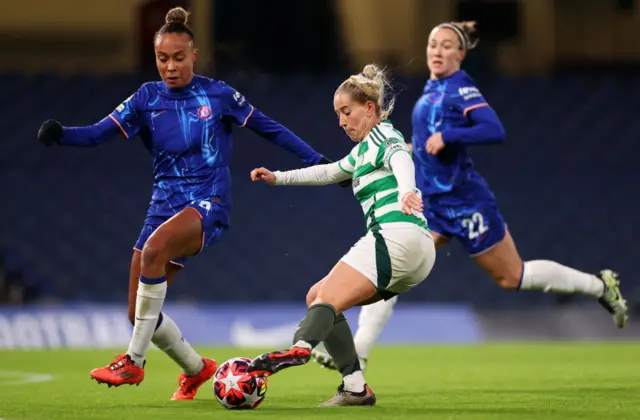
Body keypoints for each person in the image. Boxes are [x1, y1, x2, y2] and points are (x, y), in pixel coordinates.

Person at [36, 7, 333, 400]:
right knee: (139, 313)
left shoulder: (219, 95)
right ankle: (197, 369)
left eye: (179, 57)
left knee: (154, 251)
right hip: (163, 205)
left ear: (194, 55)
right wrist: (61, 135)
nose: (170, 67)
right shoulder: (146, 98)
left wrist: (320, 164)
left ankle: (133, 363)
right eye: (162, 58)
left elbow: (272, 130)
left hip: (208, 201)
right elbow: (95, 134)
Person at [311, 21, 628, 372]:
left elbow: (493, 129)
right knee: (393, 266)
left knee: (512, 277)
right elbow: (428, 145)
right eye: (433, 44)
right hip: (431, 202)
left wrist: (448, 136)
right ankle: (361, 351)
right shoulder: (433, 90)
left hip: (465, 200)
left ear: (460, 54)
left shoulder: (460, 88)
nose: (437, 51)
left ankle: (600, 286)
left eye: (447, 45)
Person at [245, 64, 436, 407]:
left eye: (346, 112)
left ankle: (300, 348)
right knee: (318, 295)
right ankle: (355, 387)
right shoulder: (362, 153)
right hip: (415, 251)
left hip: (397, 234)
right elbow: (329, 172)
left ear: (370, 108)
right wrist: (278, 177)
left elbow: (401, 159)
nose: (342, 121)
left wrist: (408, 190)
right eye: (338, 114)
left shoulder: (382, 136)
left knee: (325, 299)